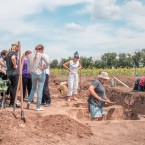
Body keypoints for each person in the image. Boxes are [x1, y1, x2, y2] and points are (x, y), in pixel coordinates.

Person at [27, 44, 49, 111]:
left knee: (33, 88)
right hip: (40, 74)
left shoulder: (30, 55)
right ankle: (38, 107)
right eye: (42, 50)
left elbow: (29, 65)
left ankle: (29, 101)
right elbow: (47, 62)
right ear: (41, 49)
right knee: (40, 90)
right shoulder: (41, 55)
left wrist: (32, 72)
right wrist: (44, 68)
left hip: (33, 74)